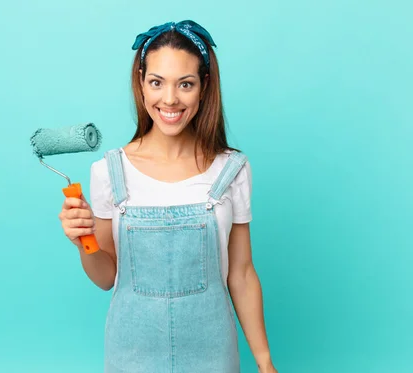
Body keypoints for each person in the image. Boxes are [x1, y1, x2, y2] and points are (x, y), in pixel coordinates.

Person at [59, 20, 278, 373]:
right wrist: (80, 238)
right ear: (141, 83)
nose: (170, 99)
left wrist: (265, 362)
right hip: (131, 354)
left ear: (204, 87)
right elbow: (105, 277)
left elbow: (241, 273)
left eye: (185, 84)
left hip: (213, 352)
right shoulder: (108, 172)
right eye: (156, 82)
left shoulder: (231, 170)